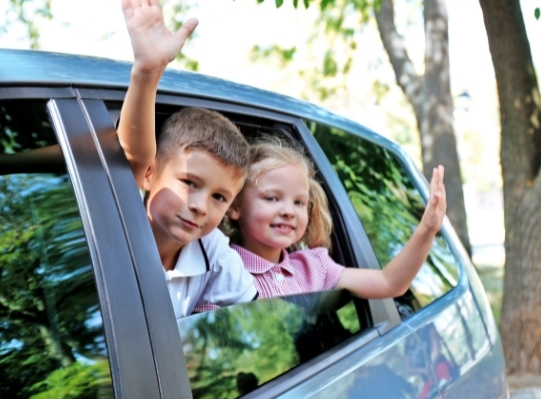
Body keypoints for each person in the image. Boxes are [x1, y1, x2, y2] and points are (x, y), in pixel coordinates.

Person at [118, 0, 257, 317]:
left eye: (219, 197)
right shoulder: (119, 221)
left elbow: (251, 322)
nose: (200, 206)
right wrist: (147, 73)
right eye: (189, 182)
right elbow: (133, 156)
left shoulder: (212, 249)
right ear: (150, 174)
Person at [195, 136, 446, 307]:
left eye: (299, 202)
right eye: (272, 198)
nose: (288, 211)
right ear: (235, 206)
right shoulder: (220, 269)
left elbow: (389, 283)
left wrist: (427, 229)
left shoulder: (315, 266)